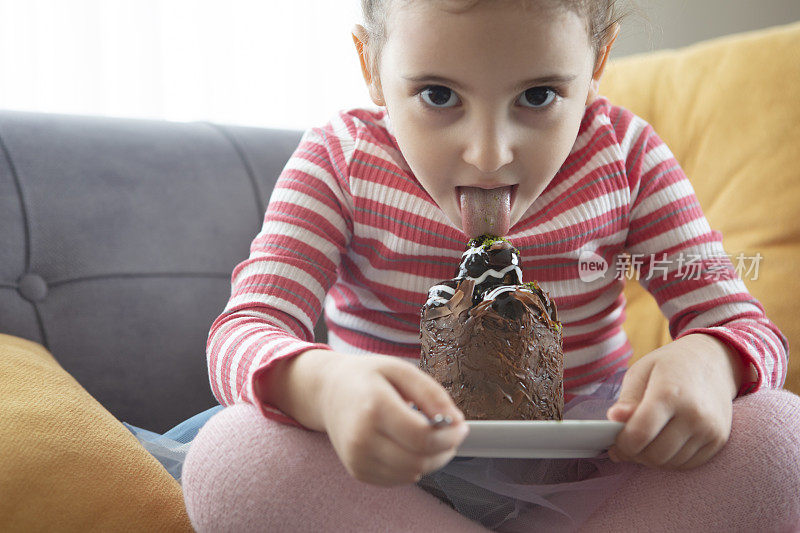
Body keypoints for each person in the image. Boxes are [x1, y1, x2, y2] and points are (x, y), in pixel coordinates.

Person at [181, 1, 800, 531]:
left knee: (782, 437)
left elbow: (749, 330)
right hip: (390, 486)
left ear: (596, 67)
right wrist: (323, 388)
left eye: (537, 96)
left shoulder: (626, 158)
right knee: (232, 458)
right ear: (371, 67)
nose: (488, 154)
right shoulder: (338, 163)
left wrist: (712, 360)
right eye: (438, 95)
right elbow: (243, 332)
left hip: (592, 479)